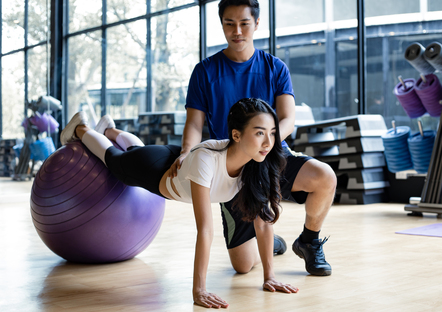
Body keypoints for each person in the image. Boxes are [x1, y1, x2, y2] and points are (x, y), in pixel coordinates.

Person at [60, 98, 298, 309]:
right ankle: (81, 128)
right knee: (116, 160)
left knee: (134, 149)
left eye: (272, 132)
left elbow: (264, 224)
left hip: (179, 162)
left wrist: (269, 277)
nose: (268, 142)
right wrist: (199, 290)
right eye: (259, 133)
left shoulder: (260, 164)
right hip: (158, 171)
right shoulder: (208, 161)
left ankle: (109, 129)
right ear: (236, 135)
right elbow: (205, 229)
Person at [170, 0, 337, 277]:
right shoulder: (205, 71)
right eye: (229, 24)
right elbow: (194, 122)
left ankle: (309, 241)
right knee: (243, 266)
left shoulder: (275, 67)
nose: (237, 31)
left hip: (271, 156)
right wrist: (187, 151)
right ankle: (269, 242)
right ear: (221, 24)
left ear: (256, 24)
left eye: (244, 23)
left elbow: (288, 119)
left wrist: (264, 145)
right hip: (230, 165)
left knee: (325, 177)